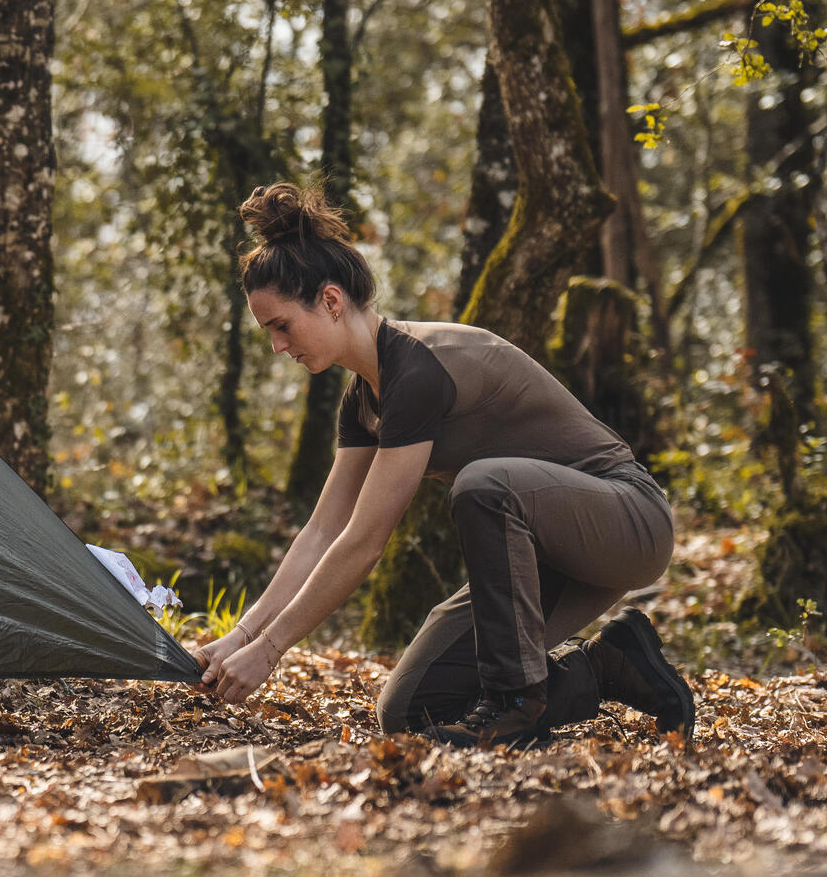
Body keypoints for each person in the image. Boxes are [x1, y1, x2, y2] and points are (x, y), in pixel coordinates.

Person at [192, 184, 695, 748]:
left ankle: (515, 707)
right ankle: (612, 666)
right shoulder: (366, 397)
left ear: (331, 301)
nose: (278, 346)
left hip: (628, 520)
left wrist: (271, 650)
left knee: (485, 485)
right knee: (411, 708)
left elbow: (364, 542)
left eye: (281, 325)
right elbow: (323, 531)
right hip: (543, 557)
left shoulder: (417, 371)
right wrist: (241, 636)